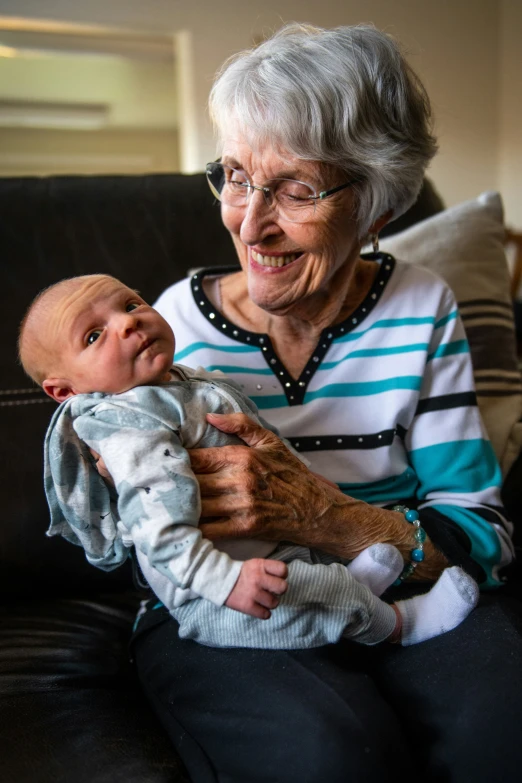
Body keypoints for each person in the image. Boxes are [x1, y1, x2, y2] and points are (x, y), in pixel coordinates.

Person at [125, 21, 522, 783]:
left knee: (503, 728)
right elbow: (149, 536)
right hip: (234, 597)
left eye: (295, 189)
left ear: (374, 208)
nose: (249, 221)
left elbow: (481, 531)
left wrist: (327, 518)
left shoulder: (420, 305)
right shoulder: (169, 327)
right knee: (327, 754)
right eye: (235, 175)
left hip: (407, 582)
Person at [19, 272, 478, 651]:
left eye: (132, 303)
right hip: (217, 597)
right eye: (95, 335)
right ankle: (394, 625)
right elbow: (157, 526)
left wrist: (318, 489)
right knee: (305, 601)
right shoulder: (127, 426)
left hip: (270, 552)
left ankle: (353, 588)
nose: (128, 324)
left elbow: (264, 445)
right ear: (65, 391)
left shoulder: (184, 382)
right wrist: (224, 581)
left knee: (314, 581)